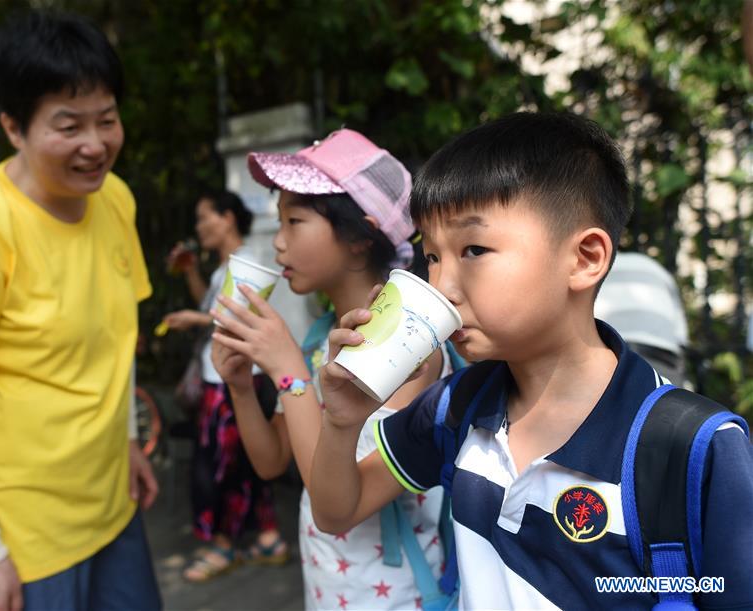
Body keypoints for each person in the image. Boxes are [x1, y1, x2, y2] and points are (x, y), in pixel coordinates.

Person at [308, 113, 753, 609]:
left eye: (474, 249)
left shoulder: (691, 445)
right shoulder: (456, 406)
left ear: (585, 258)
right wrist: (343, 420)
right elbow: (336, 512)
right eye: (433, 257)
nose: (442, 287)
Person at [0, 11, 161, 610]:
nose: (95, 144)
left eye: (107, 119)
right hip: (25, 541)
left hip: (112, 507)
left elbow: (116, 341)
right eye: (68, 126)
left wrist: (127, 437)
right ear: (13, 127)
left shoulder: (114, 199)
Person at [210, 129, 454, 610]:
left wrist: (288, 373)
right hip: (328, 591)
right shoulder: (320, 339)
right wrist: (241, 386)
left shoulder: (410, 348)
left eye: (295, 221)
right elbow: (273, 462)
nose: (278, 243)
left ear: (361, 237)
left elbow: (334, 507)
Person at [162, 191, 285, 582]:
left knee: (219, 468)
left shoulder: (246, 263)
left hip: (232, 381)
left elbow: (233, 322)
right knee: (243, 465)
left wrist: (191, 320)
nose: (199, 228)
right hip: (229, 378)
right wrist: (191, 275)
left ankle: (223, 544)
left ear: (228, 218)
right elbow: (211, 310)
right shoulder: (225, 268)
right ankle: (267, 537)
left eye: (204, 217)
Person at [594, 251, 689, 387]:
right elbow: (681, 335)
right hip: (660, 354)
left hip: (609, 352)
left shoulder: (594, 268)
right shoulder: (656, 269)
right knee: (665, 404)